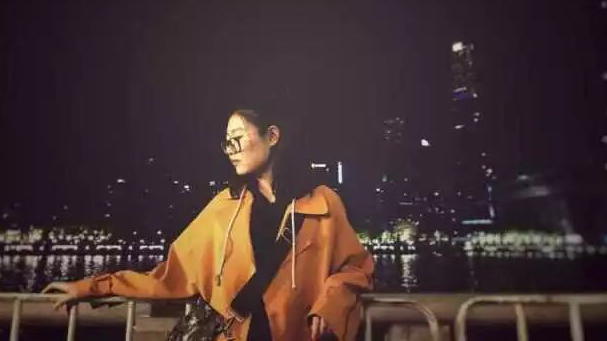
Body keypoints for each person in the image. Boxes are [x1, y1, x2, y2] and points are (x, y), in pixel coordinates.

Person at [42, 104, 374, 340]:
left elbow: (356, 268)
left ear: (272, 135)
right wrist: (90, 287)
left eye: (238, 136)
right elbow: (169, 276)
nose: (230, 149)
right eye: (226, 141)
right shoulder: (222, 209)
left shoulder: (322, 203)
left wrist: (331, 303)